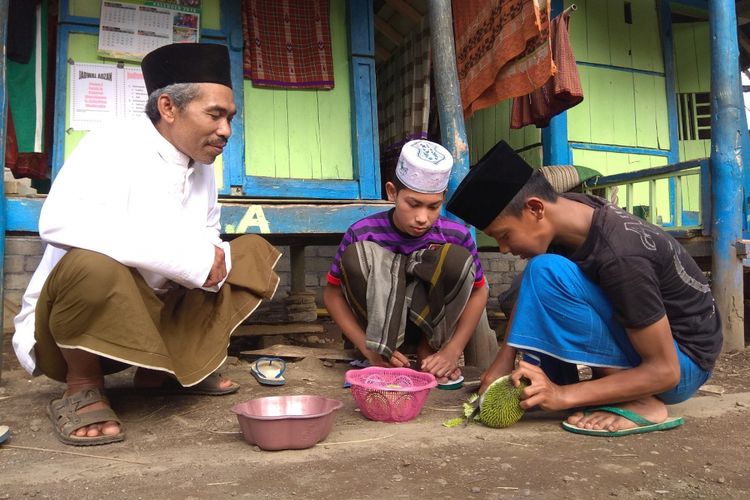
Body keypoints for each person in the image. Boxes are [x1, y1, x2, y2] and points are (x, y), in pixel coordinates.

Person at [12, 43, 281, 446]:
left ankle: (163, 370)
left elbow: (207, 233)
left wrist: (211, 258)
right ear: (169, 108)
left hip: (153, 316)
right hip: (72, 334)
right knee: (91, 264)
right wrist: (188, 260)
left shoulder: (203, 165)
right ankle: (82, 386)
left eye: (229, 118)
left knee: (248, 253)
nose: (226, 130)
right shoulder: (112, 143)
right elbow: (58, 220)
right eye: (215, 115)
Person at [446, 140, 722, 436]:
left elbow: (666, 371)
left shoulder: (621, 256)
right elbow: (535, 293)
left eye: (504, 235)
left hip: (680, 368)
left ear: (535, 208)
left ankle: (641, 401)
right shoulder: (576, 213)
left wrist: (561, 396)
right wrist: (503, 362)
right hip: (655, 356)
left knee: (545, 272)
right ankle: (571, 388)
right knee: (535, 280)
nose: (503, 249)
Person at [323, 140, 498, 383]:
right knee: (356, 256)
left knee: (455, 258)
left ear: (443, 199)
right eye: (413, 204)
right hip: (376, 330)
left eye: (433, 206)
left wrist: (452, 351)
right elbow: (332, 295)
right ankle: (385, 349)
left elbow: (479, 292)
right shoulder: (362, 232)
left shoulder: (455, 234)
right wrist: (368, 349)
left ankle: (428, 351)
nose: (422, 218)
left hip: (432, 330)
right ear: (392, 192)